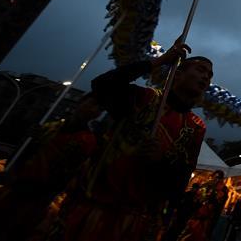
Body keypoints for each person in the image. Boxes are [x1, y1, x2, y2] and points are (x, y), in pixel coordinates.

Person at [55, 40, 212, 240]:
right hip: (94, 214)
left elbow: (178, 185)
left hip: (139, 225)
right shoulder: (144, 98)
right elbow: (102, 85)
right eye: (201, 70)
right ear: (178, 74)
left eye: (209, 75)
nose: (206, 77)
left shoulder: (196, 127)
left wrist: (160, 162)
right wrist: (161, 60)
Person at [0, 92, 102, 241]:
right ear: (81, 101)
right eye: (92, 103)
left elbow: (67, 173)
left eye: (100, 109)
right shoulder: (50, 127)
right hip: (16, 185)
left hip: (39, 196)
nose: (94, 110)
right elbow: (24, 155)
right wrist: (28, 141)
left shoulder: (88, 141)